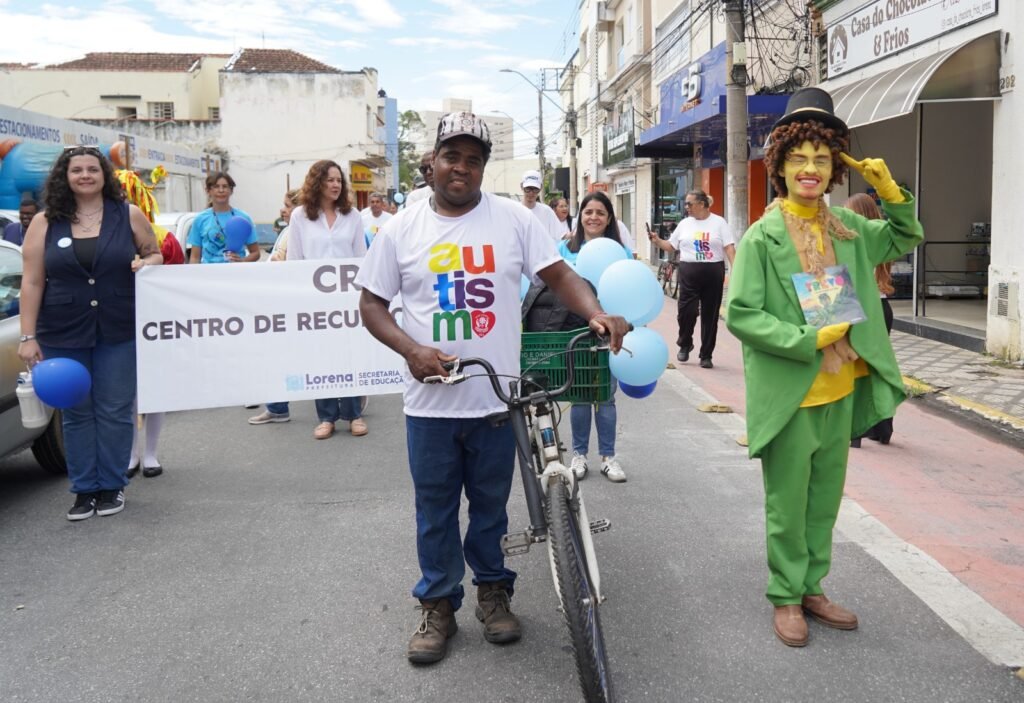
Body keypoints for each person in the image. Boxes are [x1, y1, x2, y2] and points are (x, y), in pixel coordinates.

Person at [356, 111, 628, 665]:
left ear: (483, 168)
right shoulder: (401, 229)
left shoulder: (513, 220)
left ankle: (493, 592)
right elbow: (371, 304)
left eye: (473, 160)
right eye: (451, 157)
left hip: (497, 401)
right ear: (432, 163)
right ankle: (437, 605)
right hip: (430, 406)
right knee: (435, 510)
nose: (461, 168)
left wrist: (596, 312)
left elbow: (559, 275)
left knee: (489, 508)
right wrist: (411, 351)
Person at [724, 87, 923, 647]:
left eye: (820, 158)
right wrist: (806, 339)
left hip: (840, 389)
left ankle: (812, 587)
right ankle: (786, 595)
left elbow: (906, 237)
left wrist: (890, 192)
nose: (809, 169)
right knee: (787, 505)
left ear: (835, 168)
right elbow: (741, 313)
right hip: (793, 394)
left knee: (824, 500)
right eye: (798, 158)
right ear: (780, 167)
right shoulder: (762, 236)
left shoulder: (848, 230)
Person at [17, 145, 163, 521]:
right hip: (61, 330)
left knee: (115, 410)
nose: (85, 175)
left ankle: (112, 485)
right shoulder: (45, 221)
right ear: (64, 177)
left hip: (119, 327)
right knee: (76, 412)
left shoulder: (127, 214)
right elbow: (32, 281)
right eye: (77, 170)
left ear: (104, 175)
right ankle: (84, 490)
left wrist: (145, 262)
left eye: (93, 169)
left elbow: (155, 253)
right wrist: (27, 336)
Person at [287, 160, 369, 440]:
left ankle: (354, 414)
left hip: (347, 299)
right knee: (320, 356)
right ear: (317, 182)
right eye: (329, 180)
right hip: (314, 301)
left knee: (349, 355)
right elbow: (294, 259)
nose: (335, 185)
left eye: (339, 180)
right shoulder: (299, 216)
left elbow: (360, 258)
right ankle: (326, 417)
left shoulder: (353, 216)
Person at [556, 191, 631, 483]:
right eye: (588, 212)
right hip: (575, 329)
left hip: (609, 331)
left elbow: (629, 288)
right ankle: (579, 455)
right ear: (580, 217)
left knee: (606, 395)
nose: (594, 218)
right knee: (580, 396)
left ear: (609, 218)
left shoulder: (621, 251)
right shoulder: (564, 248)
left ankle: (608, 457)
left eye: (600, 212)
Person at [115, 167, 184, 478]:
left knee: (156, 387)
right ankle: (131, 454)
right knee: (126, 392)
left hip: (157, 322)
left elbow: (178, 282)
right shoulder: (97, 234)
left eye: (127, 195)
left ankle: (151, 453)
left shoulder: (163, 239)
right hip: (119, 321)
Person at [649, 189, 735, 369]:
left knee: (710, 315)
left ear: (702, 204)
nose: (686, 207)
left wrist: (736, 269)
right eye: (686, 203)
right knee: (686, 312)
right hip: (689, 272)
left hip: (713, 272)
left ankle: (706, 354)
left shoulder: (719, 222)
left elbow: (729, 248)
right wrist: (657, 241)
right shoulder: (684, 224)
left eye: (689, 203)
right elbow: (671, 246)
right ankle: (685, 343)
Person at [845, 192, 895, 447]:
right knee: (878, 367)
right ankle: (883, 428)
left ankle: (854, 432)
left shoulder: (854, 243)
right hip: (882, 309)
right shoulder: (881, 241)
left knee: (854, 368)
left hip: (860, 309)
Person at [248, 188, 301, 426]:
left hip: (289, 304)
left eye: (288, 205)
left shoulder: (297, 232)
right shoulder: (287, 231)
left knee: (282, 356)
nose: (282, 210)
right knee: (279, 357)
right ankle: (277, 406)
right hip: (278, 302)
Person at [187, 172, 259, 264]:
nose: (221, 190)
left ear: (231, 190)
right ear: (208, 191)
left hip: (236, 271)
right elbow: (195, 257)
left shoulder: (243, 218)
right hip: (209, 272)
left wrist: (242, 261)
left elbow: (256, 253)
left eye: (225, 186)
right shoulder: (200, 219)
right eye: (216, 186)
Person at [519, 170, 564, 242]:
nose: (531, 193)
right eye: (528, 189)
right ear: (521, 187)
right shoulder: (515, 211)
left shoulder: (547, 211)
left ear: (540, 188)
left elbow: (561, 235)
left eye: (535, 189)